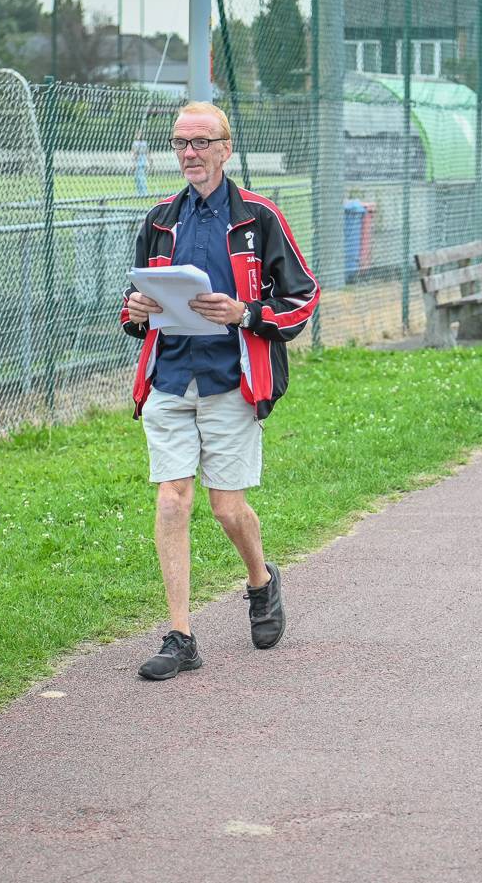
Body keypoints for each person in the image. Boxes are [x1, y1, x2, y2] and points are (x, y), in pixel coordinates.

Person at [120, 101, 320, 680]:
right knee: (170, 499)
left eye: (202, 142)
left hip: (234, 380)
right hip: (170, 378)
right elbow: (135, 311)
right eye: (181, 142)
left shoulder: (258, 217)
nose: (190, 153)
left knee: (226, 506)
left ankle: (261, 581)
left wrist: (245, 312)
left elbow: (302, 298)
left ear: (226, 149)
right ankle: (181, 636)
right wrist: (135, 311)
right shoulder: (160, 219)